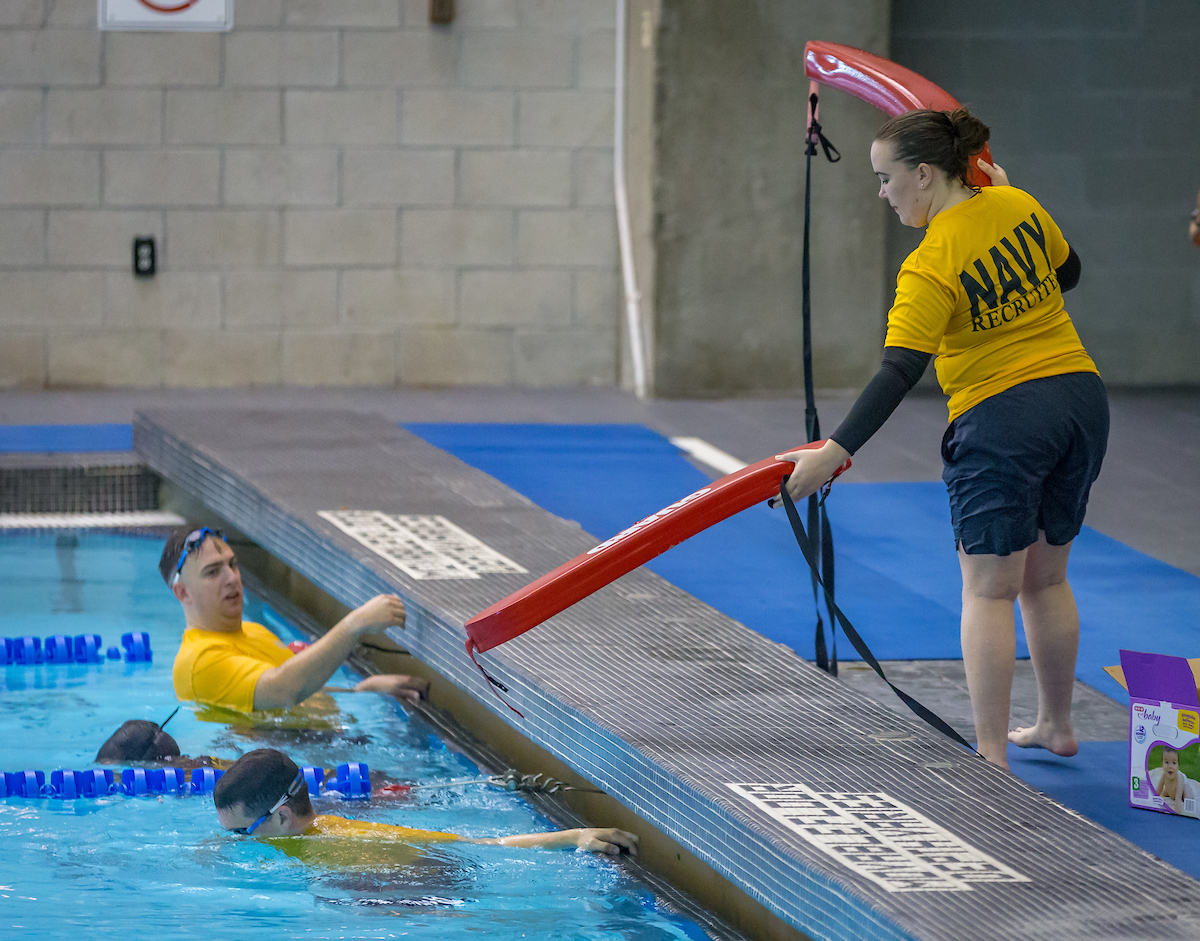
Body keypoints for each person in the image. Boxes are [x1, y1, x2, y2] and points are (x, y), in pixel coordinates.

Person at [775, 108, 1108, 770]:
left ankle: (990, 755)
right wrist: (1005, 200)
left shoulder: (929, 265)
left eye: (885, 178)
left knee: (989, 589)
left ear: (924, 174)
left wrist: (833, 452)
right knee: (1046, 577)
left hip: (1005, 418)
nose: (882, 193)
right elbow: (1067, 275)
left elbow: (900, 370)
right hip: (1079, 401)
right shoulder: (1016, 202)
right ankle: (1057, 723)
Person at [164, 525, 428, 715]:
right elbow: (283, 691)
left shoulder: (253, 632)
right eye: (212, 572)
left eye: (232, 564)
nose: (232, 578)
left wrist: (362, 691)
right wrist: (355, 625)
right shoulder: (199, 661)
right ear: (182, 592)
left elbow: (301, 695)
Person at [213, 749, 639, 863]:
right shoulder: (306, 835)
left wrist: (572, 836)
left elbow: (479, 845)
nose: (231, 843)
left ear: (283, 816)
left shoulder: (350, 840)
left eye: (239, 834)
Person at [1150, 746, 1199, 816]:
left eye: (1174, 763)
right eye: (1167, 762)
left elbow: (1178, 798)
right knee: (1164, 793)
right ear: (1162, 764)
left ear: (1178, 765)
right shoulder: (1164, 775)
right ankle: (1170, 793)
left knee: (1188, 796)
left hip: (1181, 792)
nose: (1170, 766)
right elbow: (1158, 790)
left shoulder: (1179, 778)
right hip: (1171, 791)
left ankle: (1187, 795)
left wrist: (1177, 812)